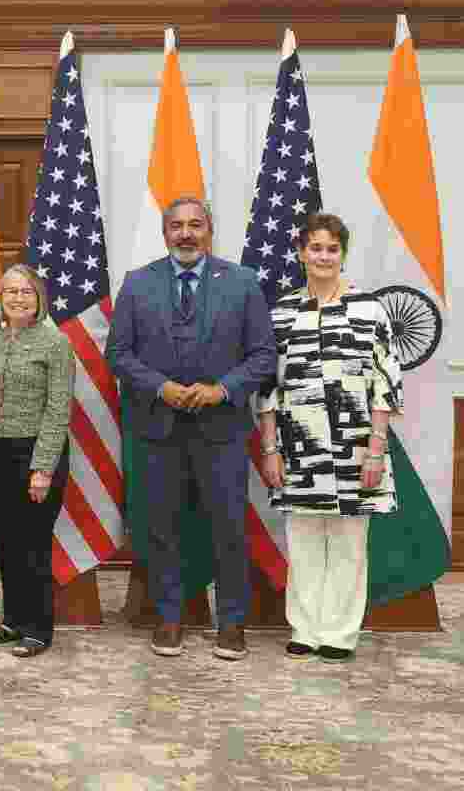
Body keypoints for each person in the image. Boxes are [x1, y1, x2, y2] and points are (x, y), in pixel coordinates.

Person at [105, 196, 276, 661]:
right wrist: (160, 387)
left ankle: (233, 623)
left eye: (195, 225)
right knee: (162, 527)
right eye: (177, 226)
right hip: (157, 430)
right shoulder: (138, 283)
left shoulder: (241, 283)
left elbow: (263, 356)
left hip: (221, 429)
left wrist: (222, 390)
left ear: (209, 230)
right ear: (165, 233)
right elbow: (118, 355)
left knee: (228, 527)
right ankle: (169, 617)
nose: (186, 233)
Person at [257, 212, 401, 664]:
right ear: (301, 253)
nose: (323, 256)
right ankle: (304, 627)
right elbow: (268, 389)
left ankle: (339, 633)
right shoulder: (281, 312)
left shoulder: (370, 309)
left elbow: (386, 383)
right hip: (298, 449)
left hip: (358, 448)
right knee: (302, 542)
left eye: (332, 249)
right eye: (315, 247)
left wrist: (376, 449)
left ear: (343, 254)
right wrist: (270, 449)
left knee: (348, 545)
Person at [0, 264, 74, 658]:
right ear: (0, 297)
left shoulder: (54, 343)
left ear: (38, 297)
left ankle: (39, 628)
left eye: (26, 291)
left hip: (37, 455)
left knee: (34, 546)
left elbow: (58, 409)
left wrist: (42, 469)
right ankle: (12, 622)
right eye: (10, 291)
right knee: (7, 545)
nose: (17, 298)